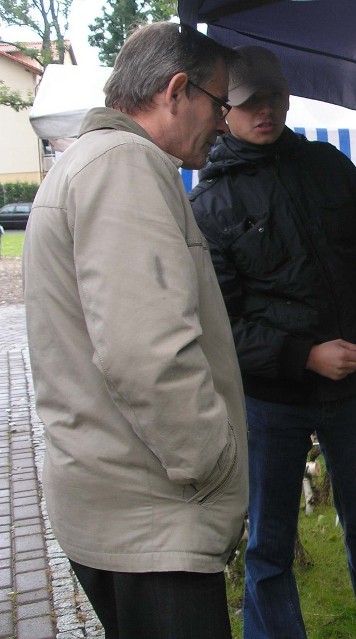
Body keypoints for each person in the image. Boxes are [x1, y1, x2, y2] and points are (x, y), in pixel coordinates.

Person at [190, 45, 356, 639]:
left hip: (355, 390)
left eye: (274, 98)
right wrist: (303, 355)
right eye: (249, 102)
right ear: (225, 110)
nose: (265, 111)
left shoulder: (328, 165)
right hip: (270, 402)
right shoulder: (209, 204)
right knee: (268, 547)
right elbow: (221, 325)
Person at [22, 23, 248, 638]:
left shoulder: (91, 164)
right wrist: (216, 463)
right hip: (153, 522)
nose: (226, 122)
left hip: (128, 513)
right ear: (177, 91)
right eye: (220, 103)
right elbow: (148, 356)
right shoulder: (126, 165)